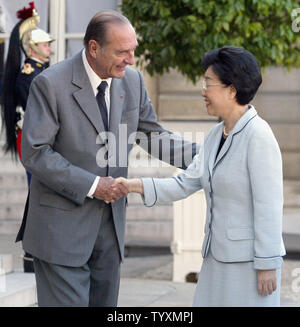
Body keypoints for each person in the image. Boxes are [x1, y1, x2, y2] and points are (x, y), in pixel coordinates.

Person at [20, 10, 198, 307]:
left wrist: (214, 154)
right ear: (93, 48)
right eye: (122, 52)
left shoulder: (133, 81)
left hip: (109, 233)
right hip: (60, 232)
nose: (130, 59)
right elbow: (35, 153)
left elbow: (153, 136)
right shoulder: (50, 84)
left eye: (133, 51)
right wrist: (92, 185)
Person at [115, 46, 286, 307]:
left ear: (232, 89)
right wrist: (135, 185)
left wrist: (267, 263)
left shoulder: (259, 136)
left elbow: (269, 206)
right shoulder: (216, 135)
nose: (202, 91)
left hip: (249, 265)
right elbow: (186, 182)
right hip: (216, 260)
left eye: (208, 83)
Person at [1, 2, 53, 273]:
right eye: (45, 45)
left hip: (45, 142)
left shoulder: (45, 74)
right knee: (38, 193)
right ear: (32, 48)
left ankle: (39, 248)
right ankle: (32, 251)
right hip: (34, 143)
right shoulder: (28, 77)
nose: (50, 49)